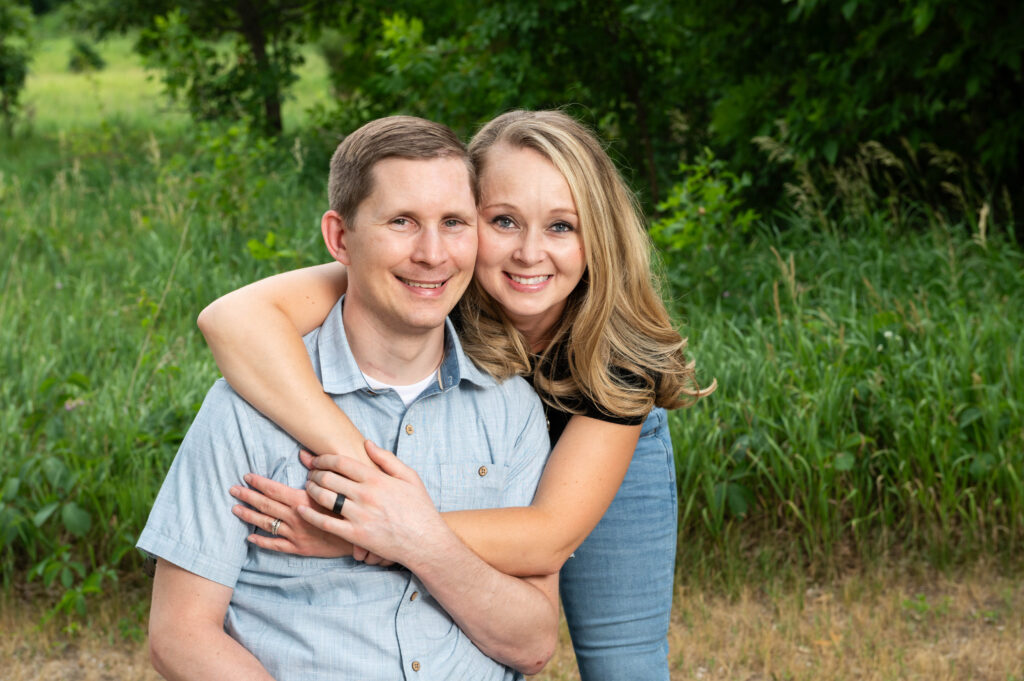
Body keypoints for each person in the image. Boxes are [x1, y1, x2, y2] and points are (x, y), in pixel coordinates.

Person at [199, 109, 715, 681]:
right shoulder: (432, 281)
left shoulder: (617, 358)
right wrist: (367, 483)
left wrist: (364, 531)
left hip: (600, 456)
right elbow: (231, 320)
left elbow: (545, 538)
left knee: (624, 664)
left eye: (561, 227)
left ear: (598, 237)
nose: (529, 252)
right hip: (459, 447)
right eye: (503, 221)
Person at [137, 115, 558, 681]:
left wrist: (415, 538)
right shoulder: (245, 408)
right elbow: (179, 636)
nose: (433, 254)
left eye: (453, 222)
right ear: (340, 238)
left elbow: (532, 645)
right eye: (402, 221)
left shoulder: (510, 409)